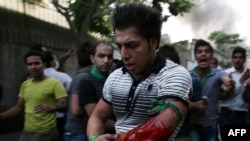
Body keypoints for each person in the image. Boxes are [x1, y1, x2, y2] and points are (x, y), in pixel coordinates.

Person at [87, 3, 192, 141]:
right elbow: (97, 117)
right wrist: (95, 138)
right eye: (119, 46)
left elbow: (158, 129)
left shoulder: (174, 75)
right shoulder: (115, 77)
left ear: (153, 43)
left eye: (132, 45)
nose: (124, 54)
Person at [0, 50, 68, 141]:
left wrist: (52, 107)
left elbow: (64, 105)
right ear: (27, 67)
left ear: (43, 64)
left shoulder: (54, 84)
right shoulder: (25, 85)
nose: (33, 67)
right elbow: (19, 107)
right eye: (30, 64)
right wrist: (1, 115)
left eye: (37, 63)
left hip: (45, 132)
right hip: (27, 131)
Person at [188, 39, 234, 141]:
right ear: (195, 56)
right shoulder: (188, 75)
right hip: (192, 126)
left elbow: (225, 79)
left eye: (207, 51)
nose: (203, 54)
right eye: (199, 52)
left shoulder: (218, 73)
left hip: (210, 126)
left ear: (211, 56)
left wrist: (229, 83)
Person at [63, 41, 94, 141]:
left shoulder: (84, 75)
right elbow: (76, 110)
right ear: (92, 58)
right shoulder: (83, 77)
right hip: (77, 132)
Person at [219, 46, 249, 141]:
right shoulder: (226, 73)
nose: (238, 60)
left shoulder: (248, 74)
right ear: (232, 59)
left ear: (244, 59)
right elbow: (222, 97)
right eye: (235, 57)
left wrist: (247, 87)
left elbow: (248, 99)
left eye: (240, 57)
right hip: (227, 114)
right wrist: (241, 81)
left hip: (242, 115)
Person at [43, 50, 72, 141]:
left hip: (40, 116)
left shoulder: (33, 77)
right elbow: (72, 90)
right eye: (55, 59)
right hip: (60, 115)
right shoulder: (63, 76)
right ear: (52, 62)